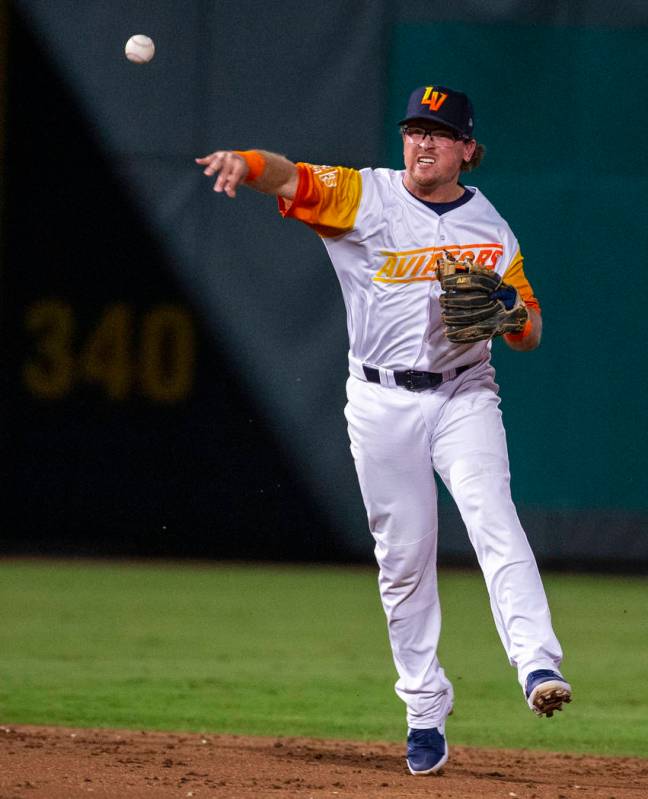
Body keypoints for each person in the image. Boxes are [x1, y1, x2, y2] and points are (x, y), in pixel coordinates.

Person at [195, 84, 572, 776]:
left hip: (464, 392)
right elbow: (290, 175)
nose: (421, 142)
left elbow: (531, 332)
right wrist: (245, 163)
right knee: (403, 561)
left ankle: (537, 662)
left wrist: (512, 309)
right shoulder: (364, 197)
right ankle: (425, 708)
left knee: (493, 515)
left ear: (466, 148)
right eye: (412, 129)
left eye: (437, 132)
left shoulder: (491, 229)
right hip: (380, 400)